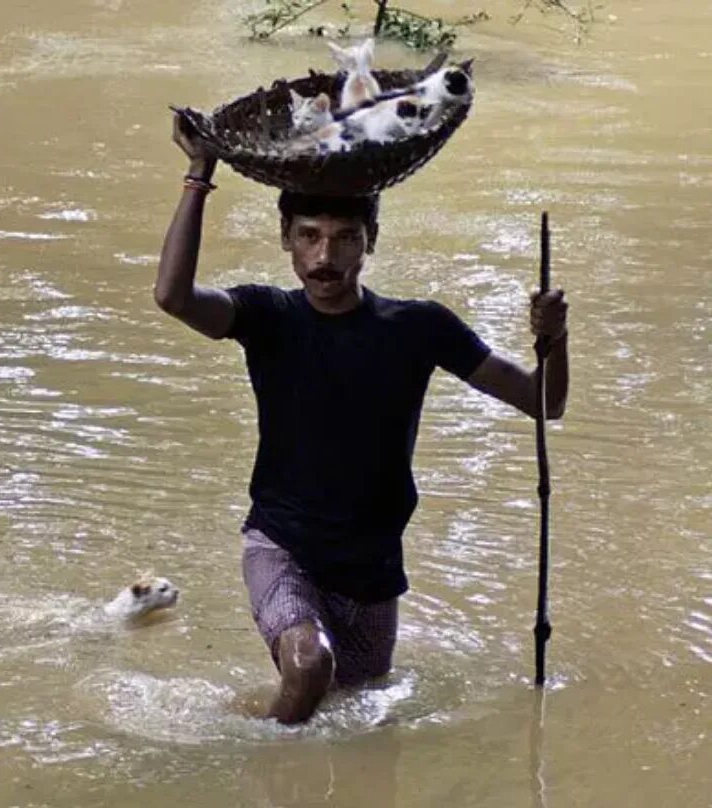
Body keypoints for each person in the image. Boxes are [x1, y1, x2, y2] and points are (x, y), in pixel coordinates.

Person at [155, 114, 569, 724]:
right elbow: (174, 297)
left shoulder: (420, 326)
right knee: (308, 666)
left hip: (372, 566)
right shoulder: (267, 316)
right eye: (309, 236)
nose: (326, 257)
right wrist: (199, 174)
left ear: (370, 241)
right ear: (286, 240)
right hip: (282, 544)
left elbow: (544, 403)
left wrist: (555, 338)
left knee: (353, 710)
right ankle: (274, 781)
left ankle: (247, 729)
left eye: (345, 237)